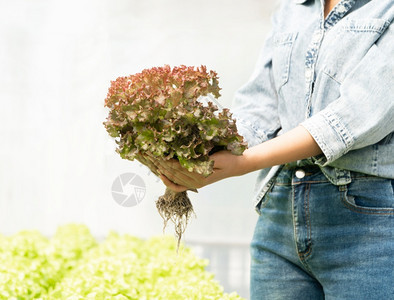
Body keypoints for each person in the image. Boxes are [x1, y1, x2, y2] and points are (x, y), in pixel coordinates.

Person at [149, 0, 394, 299]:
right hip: (280, 210)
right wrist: (200, 152)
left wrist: (245, 162)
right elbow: (260, 105)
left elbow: (359, 113)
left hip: (366, 220)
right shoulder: (293, 9)